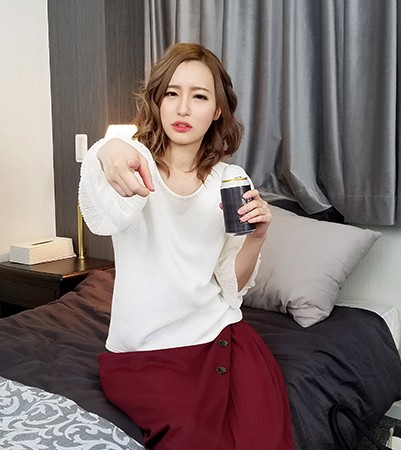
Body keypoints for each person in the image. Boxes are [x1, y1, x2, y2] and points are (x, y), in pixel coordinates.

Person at [78, 43, 293, 450]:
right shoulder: (134, 164)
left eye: (199, 96)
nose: (182, 108)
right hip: (143, 351)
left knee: (261, 435)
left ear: (217, 110)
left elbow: (231, 284)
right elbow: (103, 214)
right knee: (193, 435)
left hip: (220, 335)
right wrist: (107, 149)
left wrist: (258, 236)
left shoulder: (230, 180)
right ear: (157, 101)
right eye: (172, 93)